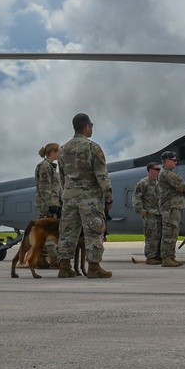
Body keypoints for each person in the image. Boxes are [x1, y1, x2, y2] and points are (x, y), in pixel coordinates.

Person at [56, 114, 112, 279]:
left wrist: (66, 193)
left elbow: (62, 176)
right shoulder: (93, 148)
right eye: (91, 126)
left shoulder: (62, 149)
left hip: (69, 196)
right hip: (89, 198)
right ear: (87, 126)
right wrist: (108, 195)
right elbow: (101, 175)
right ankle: (94, 266)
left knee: (67, 231)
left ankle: (64, 266)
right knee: (94, 230)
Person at [158, 151, 185, 267]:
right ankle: (166, 258)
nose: (176, 162)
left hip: (173, 207)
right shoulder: (166, 174)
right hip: (170, 207)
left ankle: (171, 256)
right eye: (174, 160)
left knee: (173, 232)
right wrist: (181, 187)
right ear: (168, 161)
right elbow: (182, 186)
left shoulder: (168, 174)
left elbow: (182, 186)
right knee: (169, 233)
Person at [34, 142, 62, 267]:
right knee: (49, 233)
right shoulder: (45, 166)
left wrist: (59, 204)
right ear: (53, 152)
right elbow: (44, 187)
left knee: (47, 233)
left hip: (52, 203)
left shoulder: (51, 167)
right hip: (46, 206)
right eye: (58, 152)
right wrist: (51, 204)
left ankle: (41, 259)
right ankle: (53, 260)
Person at [133, 163, 162, 265]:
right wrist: (140, 210)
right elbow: (136, 197)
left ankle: (158, 256)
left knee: (159, 235)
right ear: (150, 170)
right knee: (151, 236)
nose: (159, 171)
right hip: (150, 214)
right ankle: (150, 257)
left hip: (159, 214)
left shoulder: (159, 183)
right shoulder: (143, 183)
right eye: (157, 169)